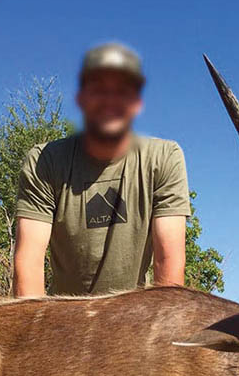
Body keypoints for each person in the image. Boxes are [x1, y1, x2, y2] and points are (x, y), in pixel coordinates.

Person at [13, 42, 191, 297]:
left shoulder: (164, 157)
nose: (110, 100)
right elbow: (28, 263)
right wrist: (34, 333)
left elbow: (169, 264)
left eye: (121, 91)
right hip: (62, 320)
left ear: (136, 102)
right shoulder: (44, 161)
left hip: (136, 319)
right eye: (99, 90)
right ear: (82, 99)